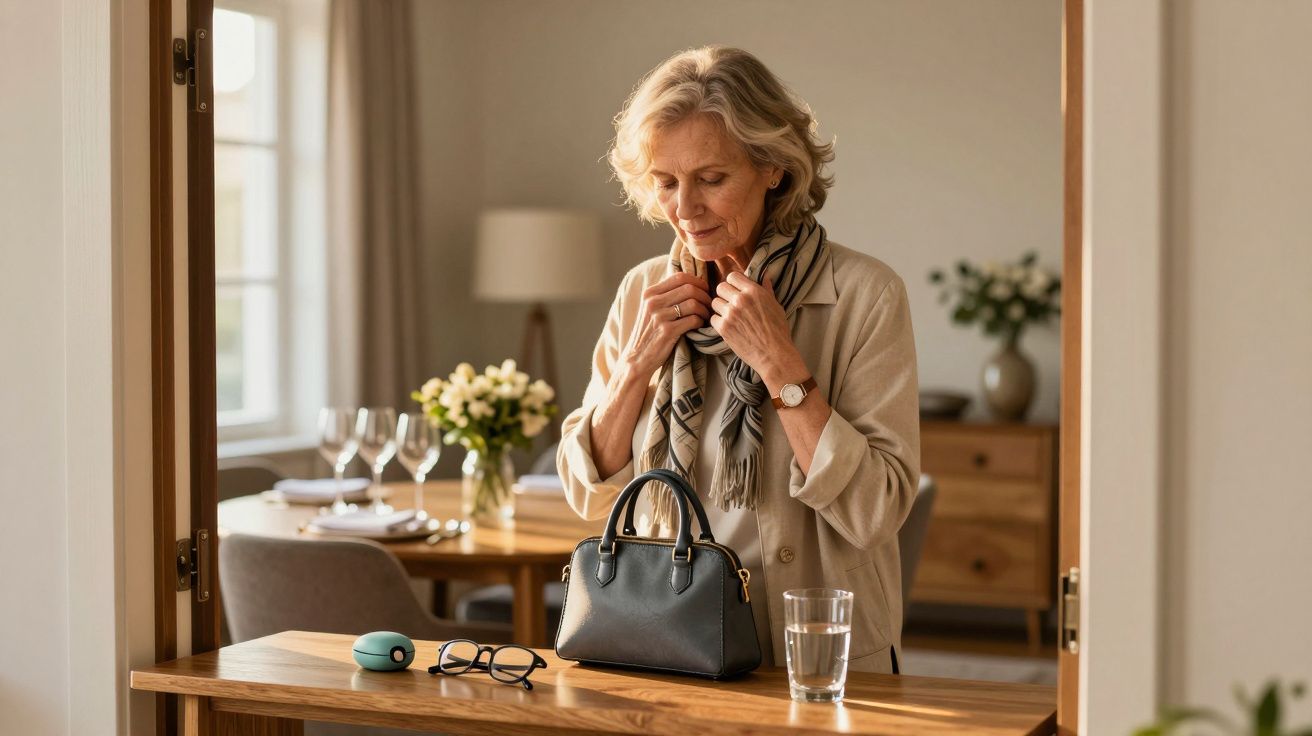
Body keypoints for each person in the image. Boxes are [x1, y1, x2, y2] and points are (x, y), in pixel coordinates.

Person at [556, 46, 920, 674]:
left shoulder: (866, 295)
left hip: (813, 649)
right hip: (666, 643)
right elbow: (587, 493)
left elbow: (875, 510)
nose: (684, 208)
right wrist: (636, 366)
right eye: (665, 182)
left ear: (773, 168)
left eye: (711, 179)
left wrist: (780, 364)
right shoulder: (644, 290)